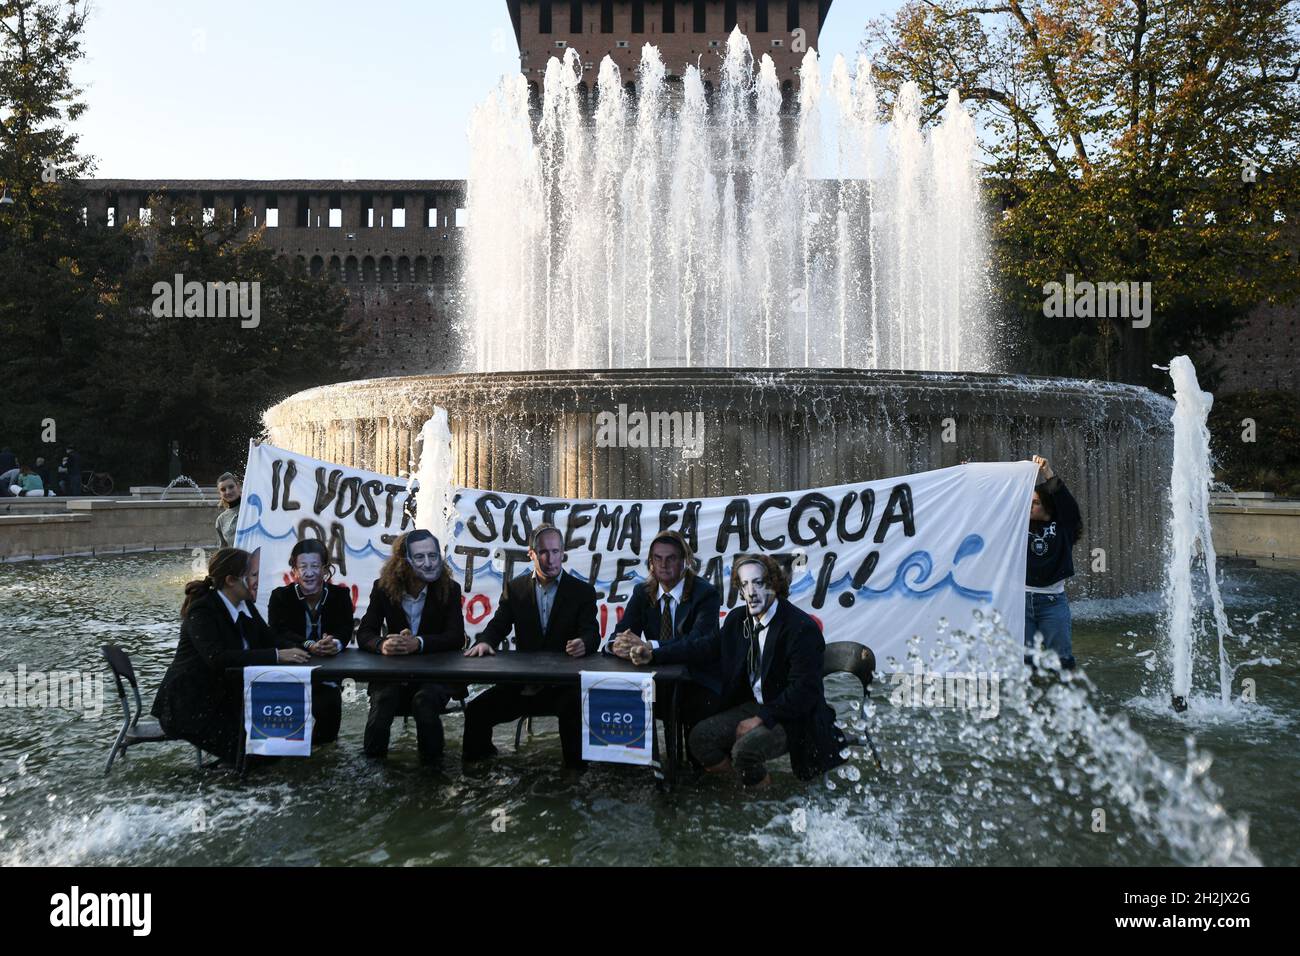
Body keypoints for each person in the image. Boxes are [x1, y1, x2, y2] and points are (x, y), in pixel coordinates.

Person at [630, 554, 846, 788]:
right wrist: (653, 651)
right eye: (744, 585)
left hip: (794, 716)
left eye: (758, 583)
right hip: (754, 705)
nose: (751, 592)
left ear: (774, 584)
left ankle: (768, 806)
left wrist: (761, 718)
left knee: (745, 751)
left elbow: (805, 690)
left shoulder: (801, 628)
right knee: (700, 738)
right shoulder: (738, 619)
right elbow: (702, 646)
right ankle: (748, 787)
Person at [152, 548, 310, 764]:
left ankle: (229, 773)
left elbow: (270, 637)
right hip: (189, 706)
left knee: (274, 743)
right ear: (231, 580)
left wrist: (309, 645)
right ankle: (223, 787)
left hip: (224, 700)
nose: (257, 580)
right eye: (253, 575)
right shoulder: (202, 611)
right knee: (255, 755)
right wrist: (276, 656)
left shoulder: (245, 604)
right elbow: (217, 658)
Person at [462, 524, 598, 769]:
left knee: (574, 713)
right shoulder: (516, 589)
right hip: (522, 685)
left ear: (563, 552)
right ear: (531, 554)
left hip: (563, 687)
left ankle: (575, 779)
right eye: (544, 552)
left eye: (556, 551)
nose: (551, 559)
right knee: (476, 711)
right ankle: (477, 774)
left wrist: (584, 643)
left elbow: (592, 632)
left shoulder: (582, 592)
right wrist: (484, 642)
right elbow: (499, 624)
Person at [356, 530, 464, 765]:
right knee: (384, 698)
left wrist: (419, 643)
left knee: (424, 702)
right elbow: (365, 633)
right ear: (403, 561)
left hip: (436, 674)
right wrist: (383, 644)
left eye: (433, 556)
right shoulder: (383, 588)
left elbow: (456, 638)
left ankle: (433, 769)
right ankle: (371, 769)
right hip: (394, 674)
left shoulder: (450, 589)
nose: (428, 563)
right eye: (420, 557)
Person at [605, 529, 723, 733]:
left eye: (671, 558)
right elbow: (622, 632)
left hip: (697, 680)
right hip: (658, 680)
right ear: (650, 561)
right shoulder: (642, 592)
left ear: (684, 561)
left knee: (691, 723)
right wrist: (616, 646)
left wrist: (650, 647)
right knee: (624, 702)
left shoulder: (705, 594)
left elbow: (697, 643)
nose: (663, 564)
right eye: (657, 558)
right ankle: (650, 762)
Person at [267, 539, 354, 747]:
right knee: (286, 734)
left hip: (327, 673)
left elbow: (345, 629)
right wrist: (308, 644)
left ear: (325, 569)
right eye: (303, 567)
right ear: (294, 570)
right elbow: (277, 634)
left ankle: (322, 756)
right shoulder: (280, 596)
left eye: (315, 566)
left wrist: (336, 644)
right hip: (291, 672)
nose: (309, 572)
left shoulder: (340, 595)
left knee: (330, 708)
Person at [1024, 454, 1082, 670]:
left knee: (1062, 662)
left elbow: (1067, 504)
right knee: (1024, 663)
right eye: (1028, 502)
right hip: (1020, 602)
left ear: (1048, 506)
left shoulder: (1064, 526)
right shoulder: (1018, 524)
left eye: (1036, 503)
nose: (1029, 507)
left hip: (1052, 602)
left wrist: (1047, 472)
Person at [215, 472, 242, 547]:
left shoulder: (252, 508)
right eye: (223, 489)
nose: (228, 492)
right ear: (219, 493)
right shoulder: (220, 520)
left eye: (231, 487)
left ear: (238, 486)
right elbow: (224, 550)